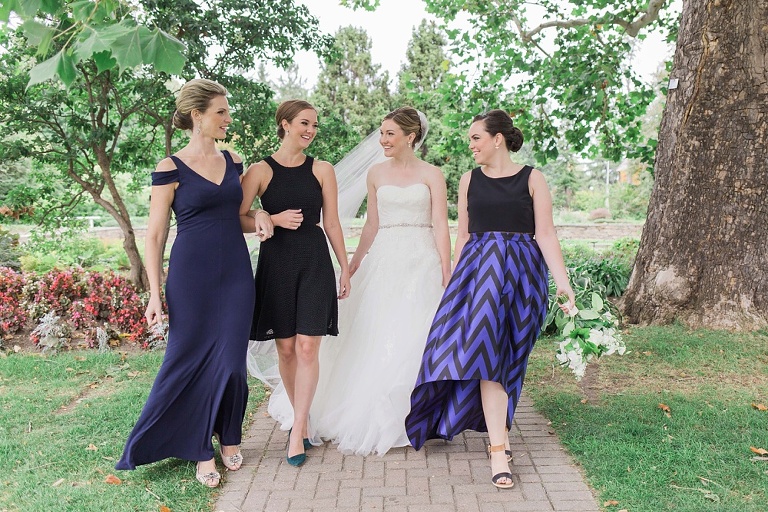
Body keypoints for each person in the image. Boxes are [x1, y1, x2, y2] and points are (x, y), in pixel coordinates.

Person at [405, 109, 575, 489]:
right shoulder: (469, 180)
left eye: (476, 138)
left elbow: (545, 234)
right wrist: (452, 281)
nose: (471, 146)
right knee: (486, 357)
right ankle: (498, 450)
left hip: (522, 277)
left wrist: (563, 284)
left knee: (510, 356)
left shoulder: (534, 179)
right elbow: (463, 234)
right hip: (478, 279)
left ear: (497, 139)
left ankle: (499, 430)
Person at [268, 107, 452, 456]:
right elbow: (371, 225)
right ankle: (378, 415)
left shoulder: (433, 174)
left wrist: (446, 266)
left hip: (421, 258)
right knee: (377, 331)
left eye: (389, 134)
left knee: (417, 335)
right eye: (381, 133)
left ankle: (420, 414)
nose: (382, 140)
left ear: (410, 137)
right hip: (384, 257)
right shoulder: (376, 173)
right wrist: (351, 264)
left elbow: (440, 223)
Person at [116, 79, 266, 488]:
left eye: (227, 111)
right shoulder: (170, 168)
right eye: (221, 112)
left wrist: (263, 219)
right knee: (187, 360)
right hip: (190, 277)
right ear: (197, 115)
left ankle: (230, 436)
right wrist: (154, 293)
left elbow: (241, 216)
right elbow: (155, 235)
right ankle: (201, 449)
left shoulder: (234, 161)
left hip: (235, 273)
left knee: (233, 364)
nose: (228, 118)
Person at [239, 100, 351, 467]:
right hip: (277, 264)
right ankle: (299, 419)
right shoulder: (259, 171)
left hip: (315, 260)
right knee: (285, 348)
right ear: (284, 124)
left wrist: (345, 267)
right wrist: (265, 215)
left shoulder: (322, 169)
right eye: (305, 123)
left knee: (307, 348)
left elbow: (332, 222)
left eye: (315, 125)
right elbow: (237, 216)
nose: (311, 130)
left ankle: (299, 425)